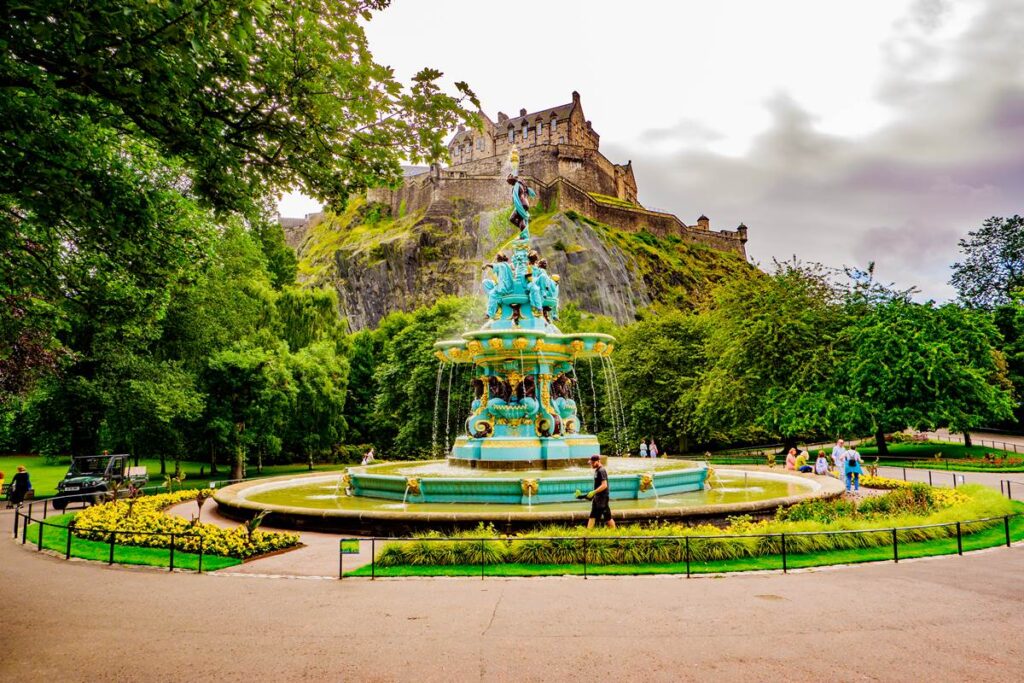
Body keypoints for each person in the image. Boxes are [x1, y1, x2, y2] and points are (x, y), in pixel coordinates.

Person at [579, 454, 615, 529]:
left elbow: (604, 485)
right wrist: (593, 494)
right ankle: (588, 533)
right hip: (597, 497)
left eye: (593, 463)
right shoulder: (597, 470)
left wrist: (594, 492)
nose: (591, 464)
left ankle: (615, 532)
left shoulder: (602, 470)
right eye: (591, 463)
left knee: (607, 517)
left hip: (602, 498)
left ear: (598, 461)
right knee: (593, 515)